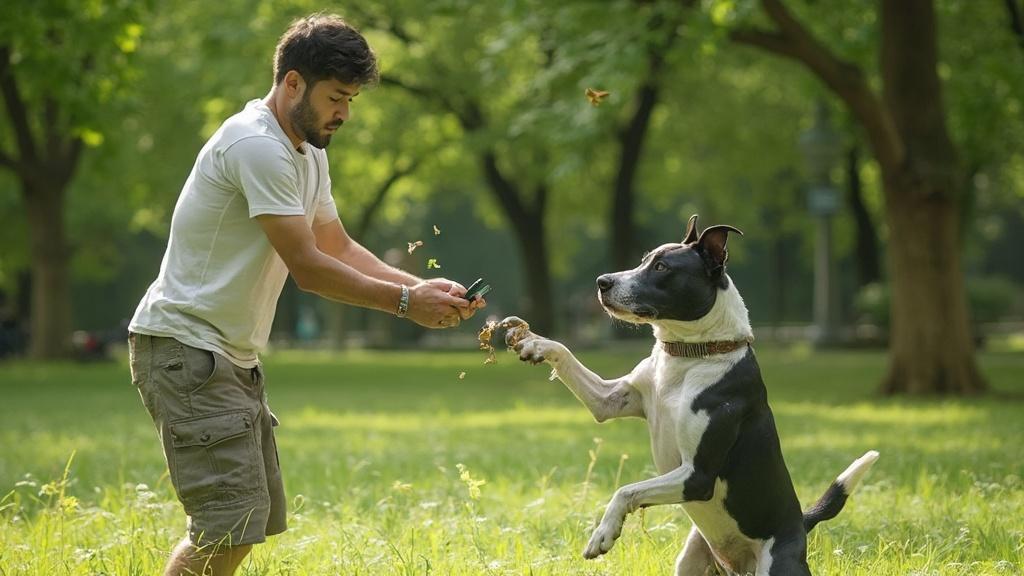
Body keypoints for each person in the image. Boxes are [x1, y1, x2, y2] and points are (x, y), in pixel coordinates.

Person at [128, 14, 484, 576]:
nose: (343, 113)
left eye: (351, 100)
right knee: (227, 525)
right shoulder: (256, 145)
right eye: (336, 97)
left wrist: (418, 286)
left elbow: (336, 245)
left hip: (225, 356)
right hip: (184, 350)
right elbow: (309, 268)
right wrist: (404, 306)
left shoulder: (307, 150)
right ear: (292, 82)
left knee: (244, 524)